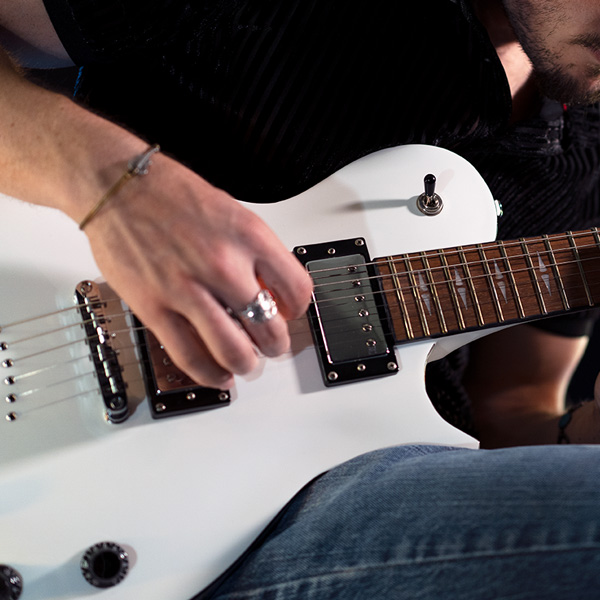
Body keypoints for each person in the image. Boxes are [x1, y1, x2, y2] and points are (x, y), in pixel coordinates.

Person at [2, 0, 600, 598]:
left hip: (351, 487)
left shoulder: (585, 157)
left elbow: (515, 398)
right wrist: (113, 186)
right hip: (111, 461)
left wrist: (579, 434)